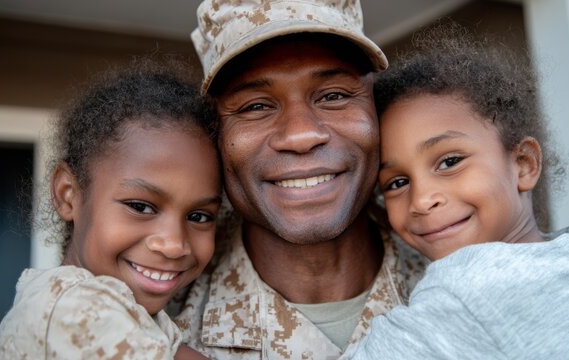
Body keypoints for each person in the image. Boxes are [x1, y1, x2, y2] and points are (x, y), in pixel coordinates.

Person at [172, 0, 427, 359]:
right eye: (255, 106)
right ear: (214, 134)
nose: (301, 135)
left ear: (376, 107)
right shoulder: (152, 322)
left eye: (334, 95)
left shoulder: (462, 265)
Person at [350, 31, 569, 359]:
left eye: (449, 162)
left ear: (523, 164)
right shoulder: (568, 257)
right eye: (396, 183)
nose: (421, 200)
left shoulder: (471, 286)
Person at [0, 60, 221, 360]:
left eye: (199, 216)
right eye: (140, 206)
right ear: (67, 194)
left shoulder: (134, 315)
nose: (174, 244)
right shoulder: (71, 307)